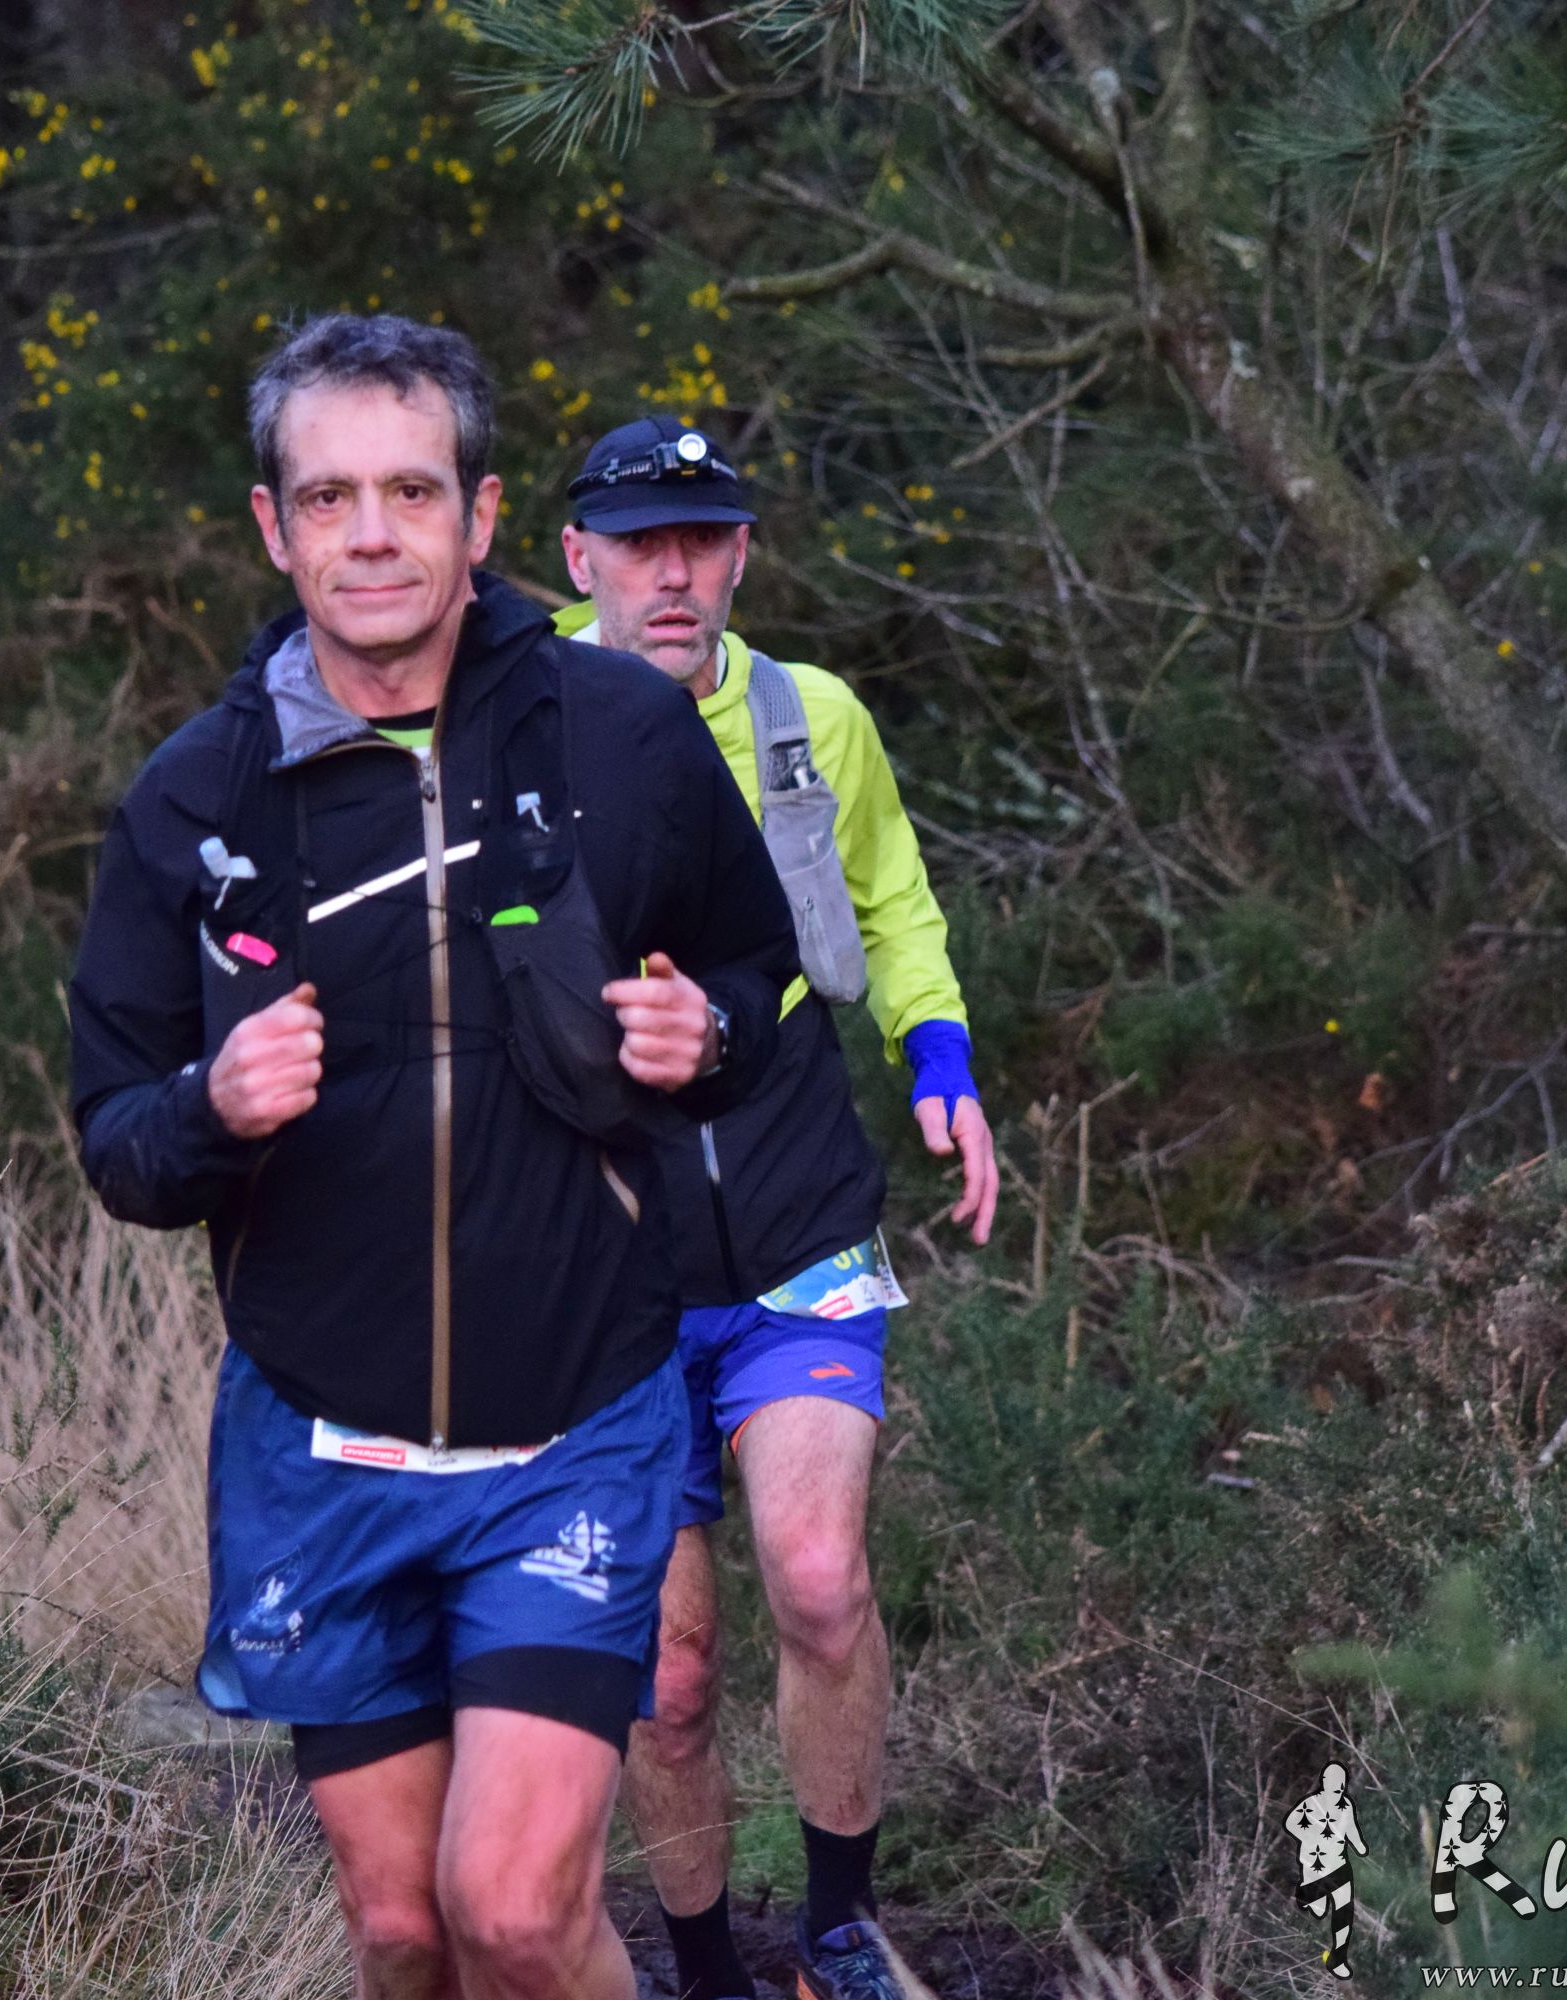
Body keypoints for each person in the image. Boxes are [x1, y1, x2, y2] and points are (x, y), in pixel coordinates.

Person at [68, 319, 802, 2000]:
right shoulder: (197, 802)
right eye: (330, 498)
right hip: (321, 1444)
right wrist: (214, 1105)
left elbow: (757, 981)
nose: (373, 534)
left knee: (514, 1909)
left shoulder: (622, 735)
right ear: (276, 529)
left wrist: (709, 1035)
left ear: (482, 517)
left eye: (412, 491)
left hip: (574, 1425)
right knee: (403, 1930)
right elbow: (119, 1143)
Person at [553, 415, 999, 2000]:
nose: (671, 575)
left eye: (702, 542)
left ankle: (840, 1936)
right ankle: (705, 1968)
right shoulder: (511, 722)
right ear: (579, 559)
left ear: (741, 555)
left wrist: (937, 1053)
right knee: (669, 1675)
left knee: (818, 1580)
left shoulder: (816, 720)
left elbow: (892, 897)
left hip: (799, 1216)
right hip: (603, 1267)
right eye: (639, 546)